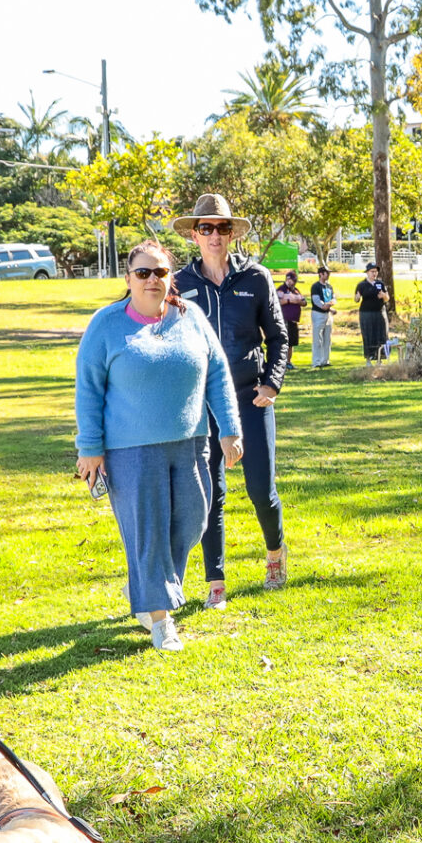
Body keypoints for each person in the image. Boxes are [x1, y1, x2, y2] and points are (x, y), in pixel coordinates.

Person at [74, 240, 244, 651]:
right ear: (129, 278)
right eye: (143, 273)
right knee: (148, 532)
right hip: (130, 452)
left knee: (192, 521)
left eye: (160, 272)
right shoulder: (106, 325)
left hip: (190, 443)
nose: (153, 280)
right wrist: (90, 447)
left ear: (172, 277)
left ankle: (149, 593)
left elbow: (218, 373)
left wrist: (230, 427)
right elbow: (88, 389)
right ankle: (161, 619)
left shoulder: (192, 318)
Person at [168, 193, 291, 604]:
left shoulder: (256, 278)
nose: (215, 236)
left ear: (232, 233)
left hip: (249, 399)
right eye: (206, 228)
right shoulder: (179, 285)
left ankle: (275, 553)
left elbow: (278, 337)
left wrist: (271, 384)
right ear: (195, 235)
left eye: (222, 228)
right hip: (202, 407)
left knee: (261, 490)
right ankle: (215, 583)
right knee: (209, 494)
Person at [356, 262, 392, 361]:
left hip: (380, 312)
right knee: (368, 335)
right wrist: (357, 296)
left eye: (376, 272)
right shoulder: (362, 285)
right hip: (366, 313)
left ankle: (380, 357)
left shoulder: (380, 284)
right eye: (372, 272)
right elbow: (356, 299)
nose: (374, 274)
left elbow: (387, 298)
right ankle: (369, 357)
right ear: (367, 272)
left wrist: (384, 296)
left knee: (381, 334)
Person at [308, 269, 336, 369]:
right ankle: (316, 362)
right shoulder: (315, 286)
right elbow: (317, 301)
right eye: (326, 273)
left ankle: (325, 360)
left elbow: (333, 298)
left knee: (327, 339)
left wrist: (330, 306)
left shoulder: (329, 286)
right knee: (317, 339)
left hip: (328, 314)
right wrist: (327, 305)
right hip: (318, 314)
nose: (328, 275)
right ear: (320, 274)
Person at [278, 270, 307, 358]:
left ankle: (289, 362)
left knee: (292, 343)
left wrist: (299, 301)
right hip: (285, 319)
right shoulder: (281, 289)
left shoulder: (296, 291)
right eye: (289, 280)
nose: (291, 282)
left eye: (293, 280)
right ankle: (282, 361)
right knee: (285, 342)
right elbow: (277, 302)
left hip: (294, 320)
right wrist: (289, 300)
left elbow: (304, 302)